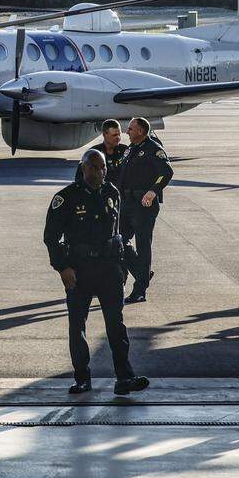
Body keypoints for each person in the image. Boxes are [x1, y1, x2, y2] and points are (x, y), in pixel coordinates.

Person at [44, 149, 149, 396]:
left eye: (102, 168)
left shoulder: (113, 193)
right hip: (79, 270)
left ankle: (124, 378)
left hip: (109, 268)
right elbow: (51, 237)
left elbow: (118, 234)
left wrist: (123, 267)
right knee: (77, 326)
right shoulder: (66, 198)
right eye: (93, 167)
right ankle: (82, 378)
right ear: (83, 169)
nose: (99, 172)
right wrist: (63, 267)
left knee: (116, 325)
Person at [118, 117, 173, 303]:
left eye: (131, 129)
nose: (127, 132)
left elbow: (166, 172)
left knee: (142, 246)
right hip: (126, 202)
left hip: (144, 204)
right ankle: (142, 273)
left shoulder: (153, 149)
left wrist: (153, 191)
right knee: (118, 241)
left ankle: (140, 290)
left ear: (141, 131)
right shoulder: (130, 149)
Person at [73, 119, 128, 185]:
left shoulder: (125, 150)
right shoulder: (93, 153)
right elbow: (79, 177)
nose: (118, 138)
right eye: (114, 135)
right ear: (105, 135)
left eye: (119, 134)